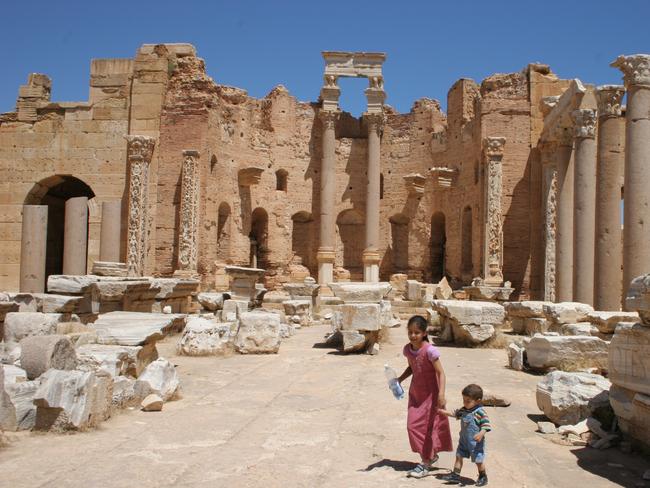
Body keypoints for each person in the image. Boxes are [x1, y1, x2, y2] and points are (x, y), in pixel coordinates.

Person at [396, 315, 453, 478]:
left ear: (424, 333)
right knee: (412, 426)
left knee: (428, 428)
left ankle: (425, 463)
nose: (413, 336)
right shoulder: (408, 349)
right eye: (410, 332)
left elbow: (441, 373)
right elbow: (412, 367)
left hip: (431, 395)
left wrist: (441, 394)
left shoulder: (430, 351)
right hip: (416, 394)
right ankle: (430, 456)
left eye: (417, 332)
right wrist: (399, 379)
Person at [439, 384, 491, 486]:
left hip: (475, 443)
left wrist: (481, 433)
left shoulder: (480, 412)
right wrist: (443, 412)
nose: (465, 403)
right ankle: (455, 475)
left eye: (468, 401)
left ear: (478, 401)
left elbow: (486, 424)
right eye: (464, 400)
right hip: (464, 440)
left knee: (478, 460)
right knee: (459, 456)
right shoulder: (464, 410)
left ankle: (483, 476)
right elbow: (455, 414)